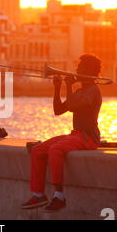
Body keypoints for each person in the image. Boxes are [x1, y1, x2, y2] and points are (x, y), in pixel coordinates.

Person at [21, 53, 103, 212]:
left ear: (88, 71)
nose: (76, 70)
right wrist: (57, 88)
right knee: (38, 150)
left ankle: (59, 196)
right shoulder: (80, 91)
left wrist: (68, 86)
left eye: (80, 68)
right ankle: (38, 194)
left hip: (88, 138)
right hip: (76, 134)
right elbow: (58, 110)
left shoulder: (93, 90)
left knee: (56, 149)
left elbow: (73, 107)